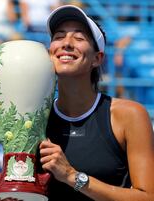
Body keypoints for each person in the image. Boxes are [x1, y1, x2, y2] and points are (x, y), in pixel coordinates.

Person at [40, 5, 154, 201]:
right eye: (58, 36)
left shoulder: (129, 115)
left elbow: (148, 197)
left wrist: (71, 176)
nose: (66, 43)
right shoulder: (33, 116)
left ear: (97, 58)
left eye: (79, 38)